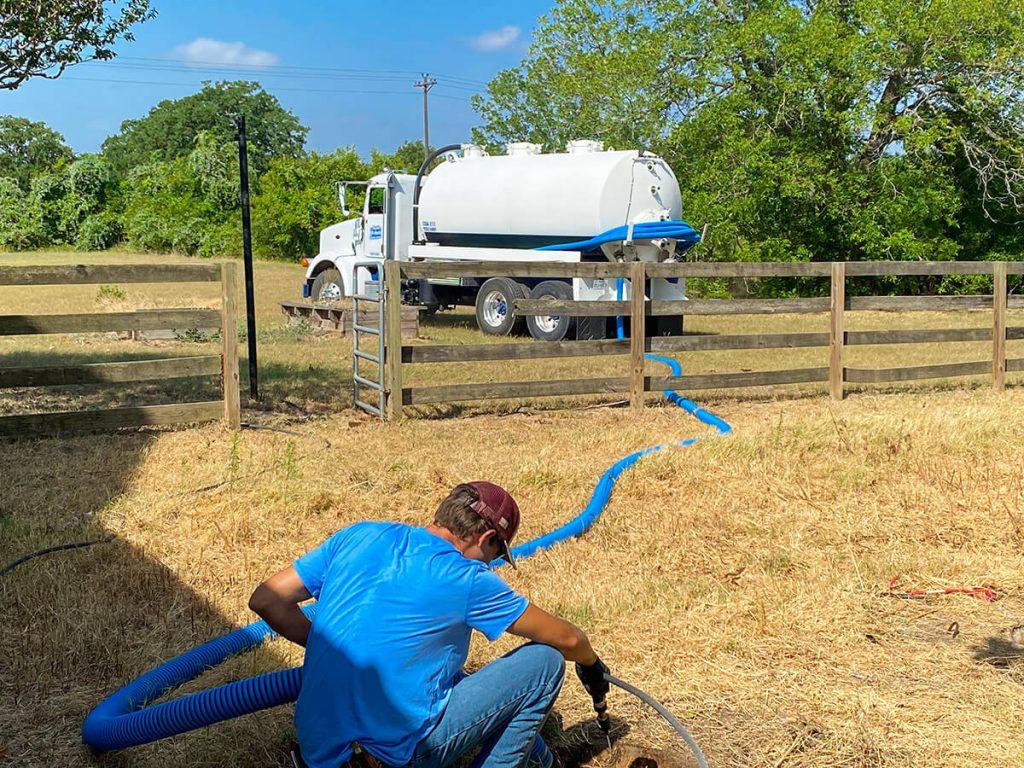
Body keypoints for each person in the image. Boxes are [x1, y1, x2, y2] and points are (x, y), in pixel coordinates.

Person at [249, 481, 611, 768]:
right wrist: (591, 665)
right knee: (544, 664)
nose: (491, 564)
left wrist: (332, 648)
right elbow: (566, 637)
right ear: (487, 539)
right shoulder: (466, 578)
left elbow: (266, 599)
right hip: (392, 757)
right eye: (498, 554)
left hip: (318, 752)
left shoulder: (360, 535)